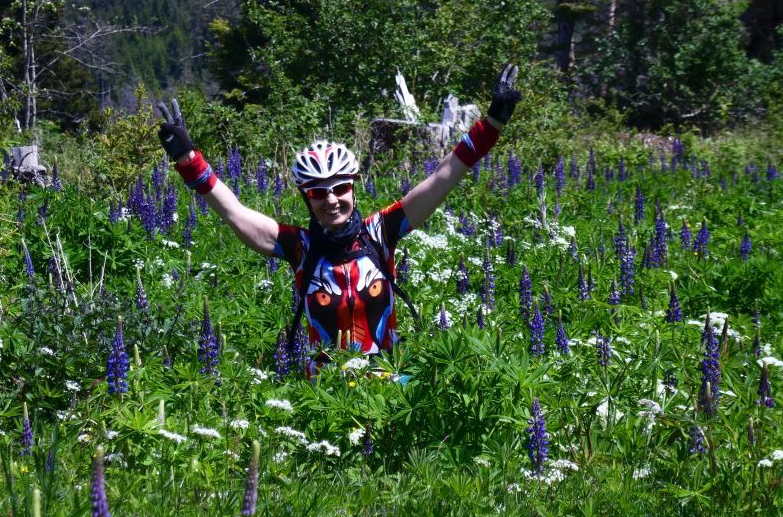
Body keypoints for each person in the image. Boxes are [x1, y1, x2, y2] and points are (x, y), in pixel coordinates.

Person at [157, 64, 521, 377]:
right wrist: (190, 161)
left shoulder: (381, 232)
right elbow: (234, 211)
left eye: (339, 188)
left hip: (389, 385)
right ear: (306, 197)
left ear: (353, 187)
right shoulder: (301, 247)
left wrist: (490, 126)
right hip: (325, 394)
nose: (331, 199)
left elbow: (443, 177)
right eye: (317, 192)